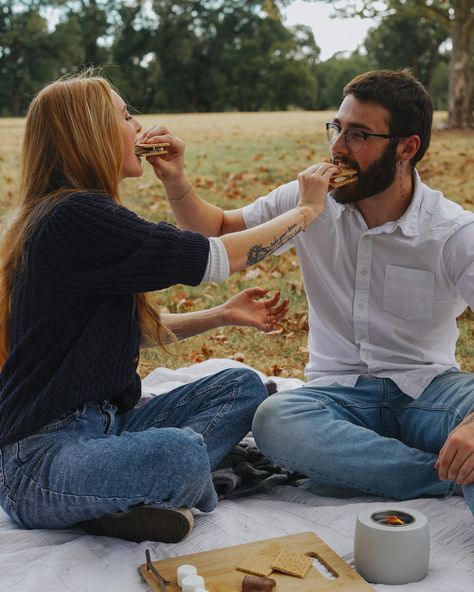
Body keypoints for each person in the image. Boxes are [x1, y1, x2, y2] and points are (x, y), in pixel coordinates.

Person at [0, 71, 337, 543]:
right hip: (40, 462)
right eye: (125, 115)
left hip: (107, 427)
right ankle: (154, 484)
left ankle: (127, 496)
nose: (139, 127)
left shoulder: (77, 214)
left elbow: (125, 333)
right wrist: (306, 212)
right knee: (178, 453)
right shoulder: (74, 217)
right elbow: (215, 257)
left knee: (241, 386)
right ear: (90, 132)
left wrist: (221, 314)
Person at [155, 69, 474, 517]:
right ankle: (442, 477)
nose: (338, 148)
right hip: (335, 397)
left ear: (407, 147)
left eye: (358, 135)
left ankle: (437, 462)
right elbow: (217, 231)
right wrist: (175, 180)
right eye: (337, 129)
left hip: (429, 392)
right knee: (275, 420)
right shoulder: (309, 202)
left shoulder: (453, 231)